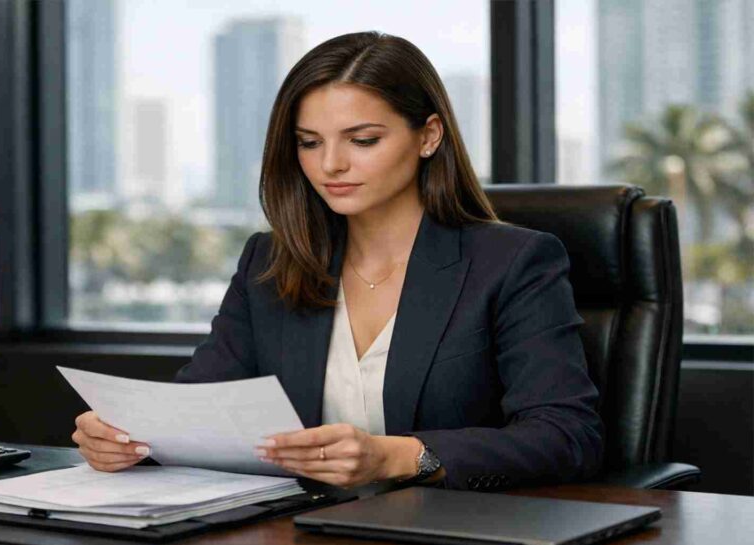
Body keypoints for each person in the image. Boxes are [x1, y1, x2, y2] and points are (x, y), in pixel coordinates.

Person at [72, 31, 603, 490]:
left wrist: (400, 456)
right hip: (300, 543)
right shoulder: (271, 262)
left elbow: (566, 436)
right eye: (308, 142)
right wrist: (128, 438)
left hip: (448, 540)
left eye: (363, 139)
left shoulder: (513, 262)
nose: (331, 164)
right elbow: (196, 409)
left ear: (429, 136)